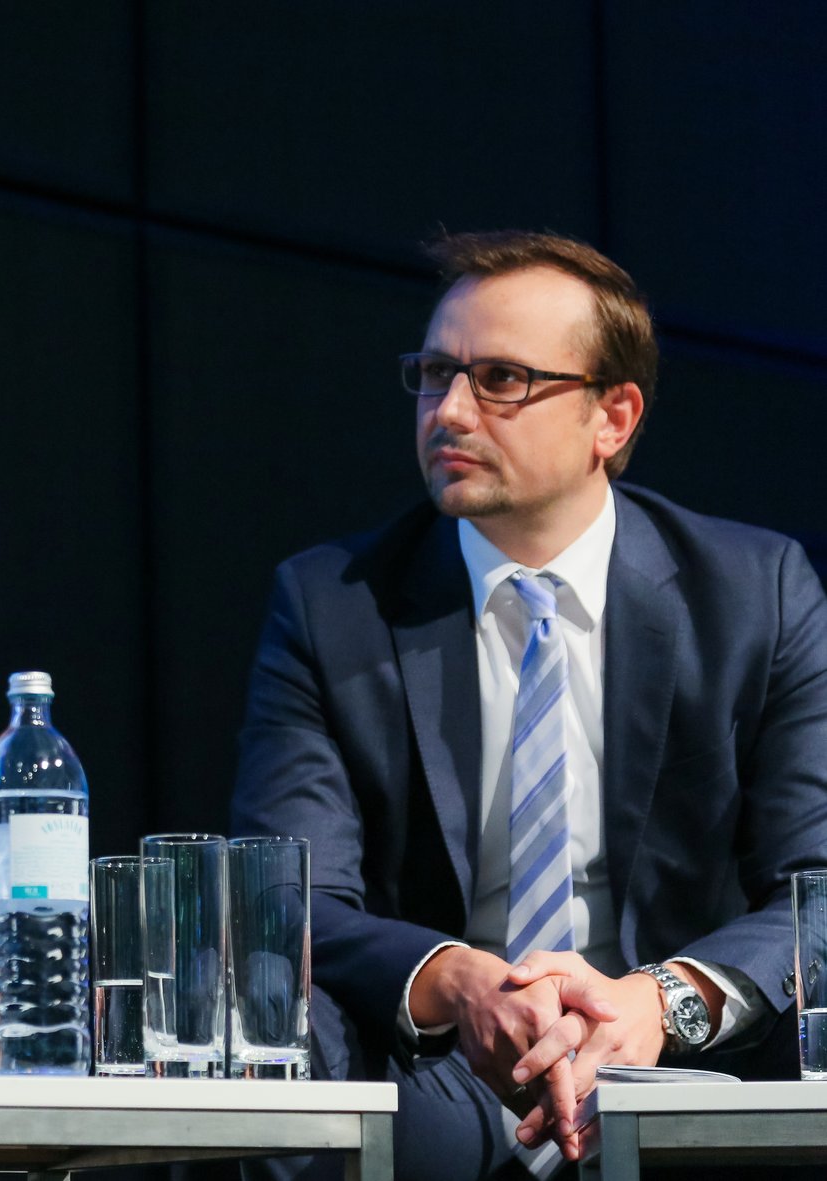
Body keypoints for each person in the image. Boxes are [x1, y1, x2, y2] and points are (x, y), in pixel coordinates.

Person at [231, 230, 827, 1180]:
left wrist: (661, 999)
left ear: (612, 417)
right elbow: (287, 893)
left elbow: (817, 884)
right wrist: (453, 977)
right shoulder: (333, 603)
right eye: (436, 373)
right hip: (445, 1072)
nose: (449, 410)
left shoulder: (759, 592)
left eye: (501, 379)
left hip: (678, 1057)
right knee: (275, 1014)